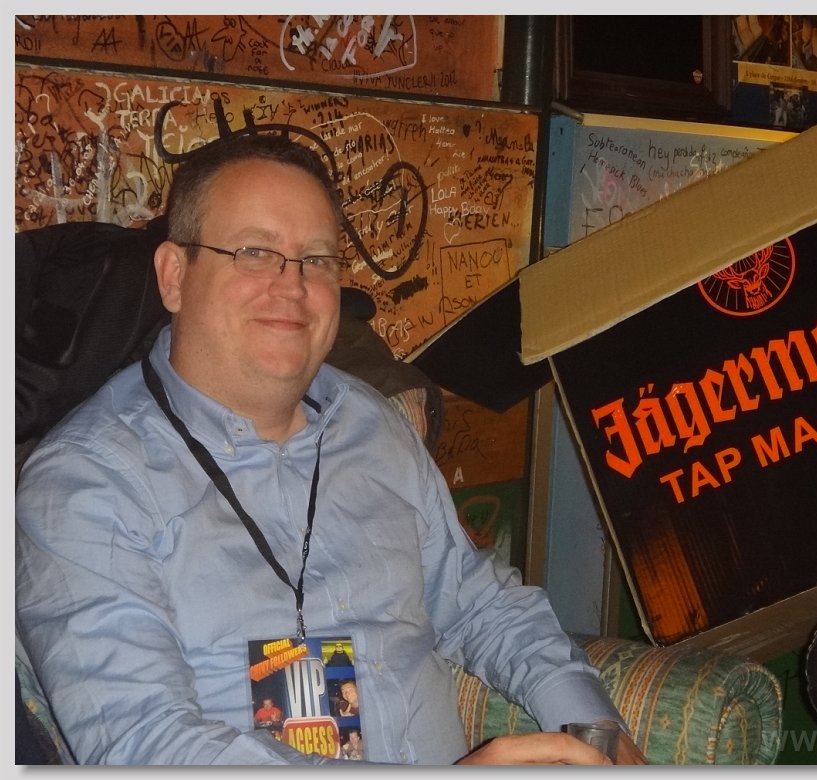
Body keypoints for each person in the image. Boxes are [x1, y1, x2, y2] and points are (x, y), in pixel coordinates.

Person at [15, 133, 646, 766]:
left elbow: (478, 601)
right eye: (255, 252)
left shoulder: (371, 423)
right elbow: (145, 746)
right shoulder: (84, 485)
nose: (292, 286)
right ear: (174, 276)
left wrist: (592, 724)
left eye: (316, 259)